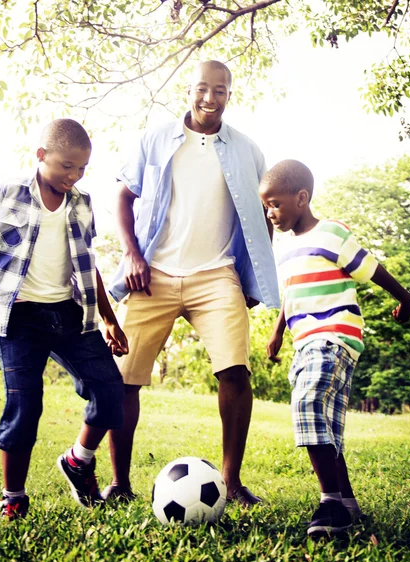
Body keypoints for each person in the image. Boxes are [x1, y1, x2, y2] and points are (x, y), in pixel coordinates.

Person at [0, 119, 128, 519]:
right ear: (41, 156)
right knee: (25, 403)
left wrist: (109, 318)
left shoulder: (82, 203)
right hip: (18, 316)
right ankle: (13, 496)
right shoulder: (7, 194)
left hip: (70, 312)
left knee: (110, 390)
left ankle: (79, 460)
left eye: (81, 169)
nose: (73, 176)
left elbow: (88, 265)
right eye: (66, 166)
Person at [106, 60, 280, 506]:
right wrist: (131, 254)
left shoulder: (247, 150)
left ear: (229, 94)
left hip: (216, 275)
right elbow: (124, 197)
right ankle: (119, 484)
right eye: (202, 88)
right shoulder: (156, 139)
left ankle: (233, 482)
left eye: (219, 90)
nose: (209, 98)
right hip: (152, 275)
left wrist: (250, 269)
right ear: (189, 90)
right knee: (123, 379)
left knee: (236, 372)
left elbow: (264, 214)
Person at [261, 159, 410, 535]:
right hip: (305, 342)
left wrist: (404, 297)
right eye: (266, 206)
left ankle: (330, 504)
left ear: (301, 198)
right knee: (327, 426)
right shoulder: (289, 249)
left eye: (275, 204)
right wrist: (278, 331)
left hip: (333, 336)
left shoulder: (331, 233)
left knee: (308, 404)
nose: (270, 213)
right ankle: (347, 502)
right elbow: (292, 293)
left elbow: (370, 267)